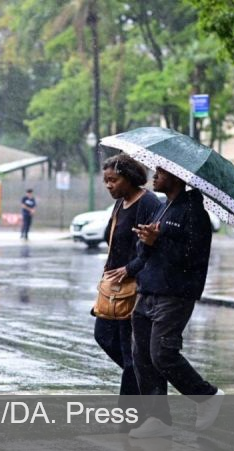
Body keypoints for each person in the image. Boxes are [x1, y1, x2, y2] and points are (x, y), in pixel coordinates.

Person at [128, 167, 224, 439]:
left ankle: (206, 396)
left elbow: (190, 258)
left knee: (162, 353)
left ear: (177, 177)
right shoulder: (162, 208)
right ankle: (157, 418)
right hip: (148, 291)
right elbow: (146, 251)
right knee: (142, 356)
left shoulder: (193, 214)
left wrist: (159, 241)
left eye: (160, 173)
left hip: (175, 293)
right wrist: (146, 241)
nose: (154, 177)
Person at [94, 154, 161, 425]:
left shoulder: (148, 203)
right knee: (104, 337)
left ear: (130, 177)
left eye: (114, 180)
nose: (109, 185)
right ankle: (148, 383)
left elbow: (151, 248)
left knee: (131, 354)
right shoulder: (121, 203)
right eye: (106, 181)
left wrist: (130, 269)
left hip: (135, 287)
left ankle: (130, 416)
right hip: (114, 286)